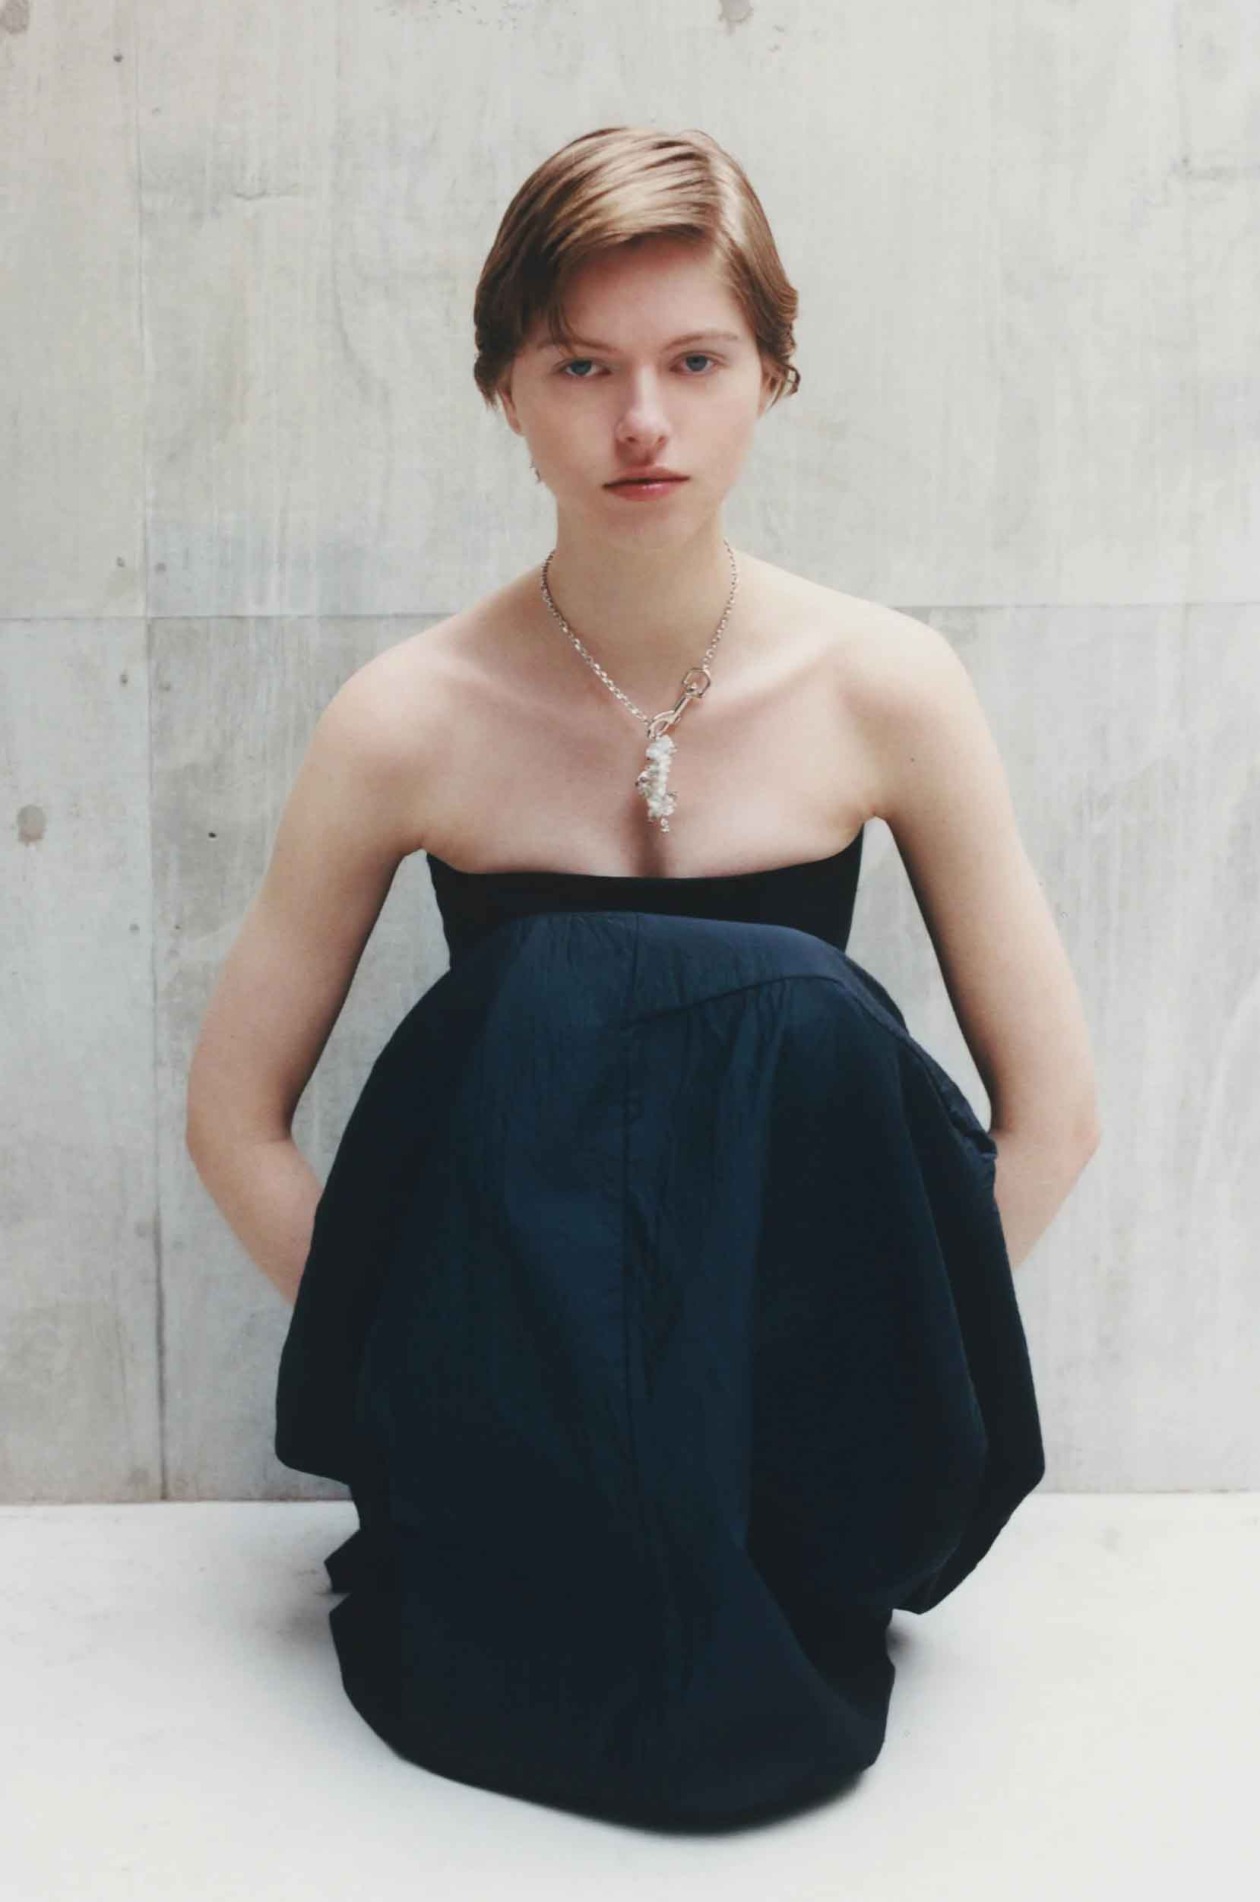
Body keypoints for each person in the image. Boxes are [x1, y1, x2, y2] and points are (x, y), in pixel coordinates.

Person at [186, 126, 1100, 1832]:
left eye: (695, 361)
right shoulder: (407, 718)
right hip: (509, 1464)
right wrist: (439, 1369)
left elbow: (1052, 1113)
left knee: (816, 1018)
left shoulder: (887, 685)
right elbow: (235, 1116)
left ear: (773, 376)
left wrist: (873, 1369)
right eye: (582, 367)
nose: (641, 424)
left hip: (793, 1464)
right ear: (505, 390)